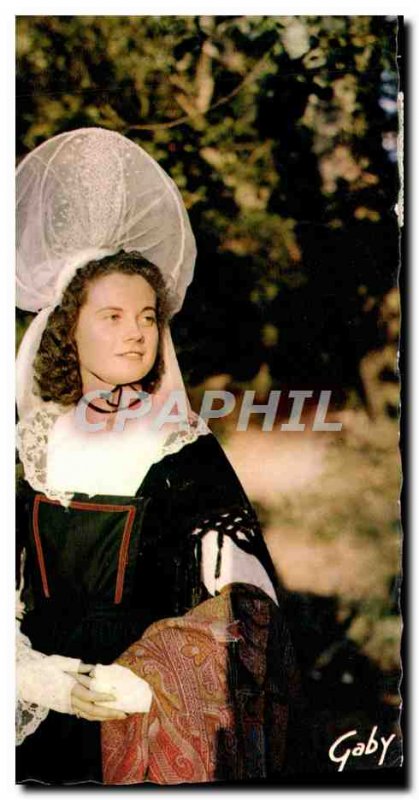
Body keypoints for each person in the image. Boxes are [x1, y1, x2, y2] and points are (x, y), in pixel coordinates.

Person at [15, 128, 303, 785]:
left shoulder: (180, 451)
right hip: (39, 716)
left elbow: (247, 605)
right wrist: (34, 677)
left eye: (147, 317)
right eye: (112, 316)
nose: (137, 332)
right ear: (68, 326)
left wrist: (149, 678)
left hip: (147, 723)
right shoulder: (27, 449)